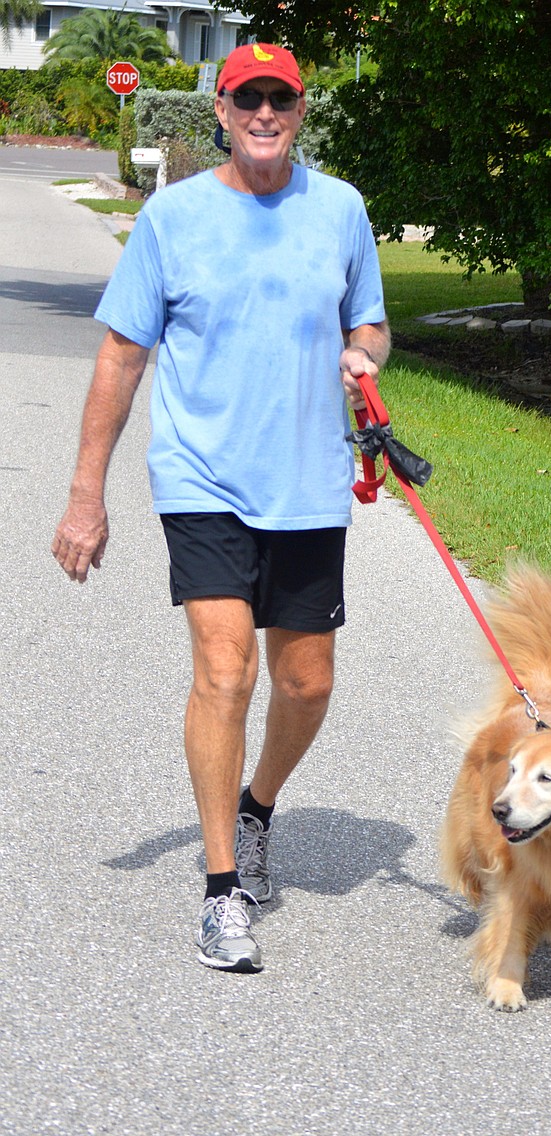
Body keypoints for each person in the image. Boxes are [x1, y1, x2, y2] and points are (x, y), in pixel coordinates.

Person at [52, 42, 390, 974]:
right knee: (226, 671)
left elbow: (369, 318)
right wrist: (88, 497)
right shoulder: (174, 216)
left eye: (280, 98)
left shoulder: (341, 210)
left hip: (310, 483)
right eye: (249, 99)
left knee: (308, 682)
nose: (265, 113)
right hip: (202, 480)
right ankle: (220, 887)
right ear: (222, 109)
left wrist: (364, 355)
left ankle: (260, 806)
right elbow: (121, 356)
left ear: (301, 108)